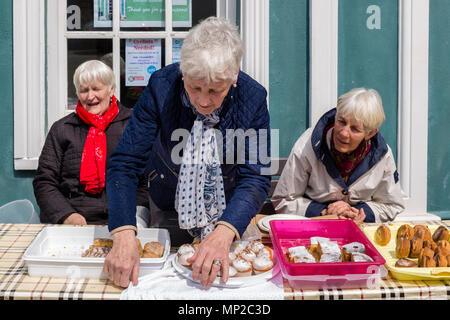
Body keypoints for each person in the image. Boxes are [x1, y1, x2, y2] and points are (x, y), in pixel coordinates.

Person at [103, 17, 271, 288]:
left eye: (215, 90)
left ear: (234, 75)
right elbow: (126, 163)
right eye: (194, 87)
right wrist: (123, 234)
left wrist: (225, 231)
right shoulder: (161, 86)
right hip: (169, 199)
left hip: (230, 209)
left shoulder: (253, 98)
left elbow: (256, 177)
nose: (203, 101)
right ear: (183, 72)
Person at [33, 60, 149, 226]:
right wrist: (66, 215)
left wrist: (125, 217)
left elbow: (147, 182)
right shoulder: (62, 129)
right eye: (84, 90)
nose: (90, 96)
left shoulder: (132, 125)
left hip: (125, 220)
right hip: (74, 220)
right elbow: (44, 181)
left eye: (96, 88)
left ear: (111, 90)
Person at [271, 88, 405, 223]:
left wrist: (357, 213)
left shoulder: (381, 154)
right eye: (341, 121)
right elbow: (283, 200)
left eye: (355, 129)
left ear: (370, 134)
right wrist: (324, 212)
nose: (343, 133)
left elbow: (392, 204)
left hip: (359, 229)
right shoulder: (308, 144)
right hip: (313, 228)